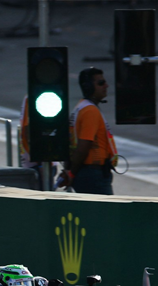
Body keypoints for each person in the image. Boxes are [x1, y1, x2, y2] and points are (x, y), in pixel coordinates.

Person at [59, 67, 118, 195]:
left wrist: (69, 170)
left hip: (88, 173)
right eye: (101, 83)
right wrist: (71, 173)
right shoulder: (90, 111)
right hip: (92, 174)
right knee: (106, 213)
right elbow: (83, 146)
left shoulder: (80, 108)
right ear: (88, 87)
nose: (106, 86)